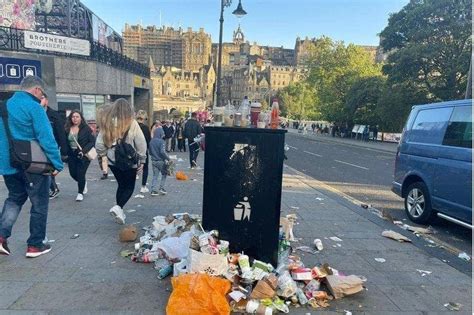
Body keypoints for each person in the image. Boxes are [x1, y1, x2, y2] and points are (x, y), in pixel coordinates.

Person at [0, 76, 63, 257]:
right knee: (39, 204)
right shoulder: (34, 107)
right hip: (32, 164)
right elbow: (46, 138)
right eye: (41, 93)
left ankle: (1, 237)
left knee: (14, 199)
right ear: (36, 89)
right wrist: (56, 164)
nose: (41, 97)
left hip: (8, 164)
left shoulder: (3, 106)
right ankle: (35, 245)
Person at [95, 98, 146, 225]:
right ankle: (118, 207)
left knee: (121, 185)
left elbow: (99, 144)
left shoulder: (107, 122)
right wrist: (142, 159)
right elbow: (141, 142)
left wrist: (103, 155)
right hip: (129, 160)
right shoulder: (132, 123)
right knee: (129, 187)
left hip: (113, 161)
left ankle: (120, 212)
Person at [40, 95, 68, 199]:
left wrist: (64, 151)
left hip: (51, 147)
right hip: (36, 147)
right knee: (41, 169)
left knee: (49, 169)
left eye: (42, 98)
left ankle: (54, 189)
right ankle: (50, 188)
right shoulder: (33, 113)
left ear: (46, 101)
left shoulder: (54, 115)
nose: (39, 101)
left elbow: (61, 133)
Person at [65, 110, 95, 202]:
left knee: (81, 173)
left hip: (83, 155)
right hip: (72, 154)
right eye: (73, 117)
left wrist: (83, 151)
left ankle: (80, 193)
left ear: (81, 118)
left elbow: (92, 142)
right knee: (73, 173)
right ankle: (83, 183)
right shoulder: (67, 128)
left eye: (77, 116)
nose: (75, 119)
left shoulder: (86, 128)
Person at [149, 126, 170, 195]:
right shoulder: (161, 141)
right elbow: (162, 152)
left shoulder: (151, 141)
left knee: (155, 176)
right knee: (164, 174)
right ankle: (161, 188)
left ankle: (153, 190)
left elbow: (150, 152)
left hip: (153, 161)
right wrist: (168, 158)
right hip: (161, 161)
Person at [136, 110, 151, 193]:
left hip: (133, 150)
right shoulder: (145, 128)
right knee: (145, 168)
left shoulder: (132, 127)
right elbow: (148, 140)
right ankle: (143, 186)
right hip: (143, 150)